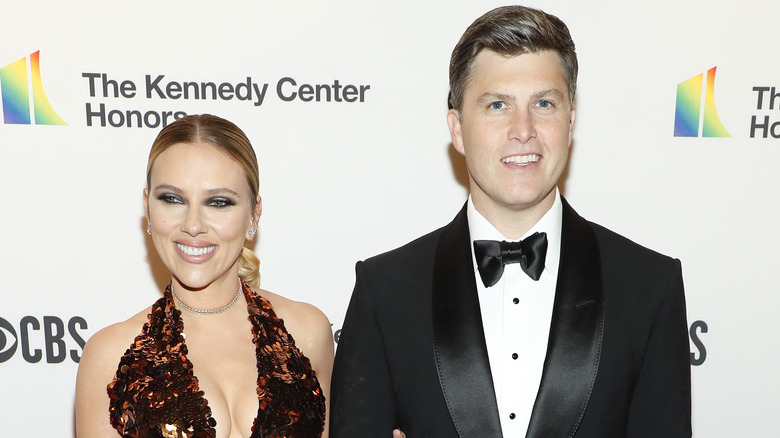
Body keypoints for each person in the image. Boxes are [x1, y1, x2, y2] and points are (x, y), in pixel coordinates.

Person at [331, 5, 691, 438]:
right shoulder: (384, 290)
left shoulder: (649, 285)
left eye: (544, 103)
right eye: (498, 105)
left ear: (570, 121)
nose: (524, 129)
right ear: (458, 129)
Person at [75, 114, 333, 438]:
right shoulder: (111, 357)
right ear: (148, 208)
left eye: (219, 202)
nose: (193, 225)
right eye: (173, 199)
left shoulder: (308, 333)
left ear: (254, 214)